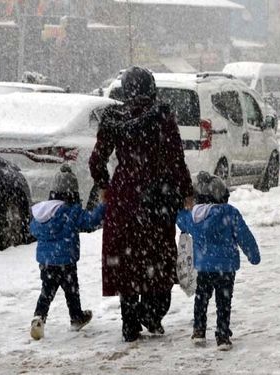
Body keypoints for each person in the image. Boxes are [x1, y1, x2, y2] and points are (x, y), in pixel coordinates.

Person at [89, 66, 194, 342]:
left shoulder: (113, 118)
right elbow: (175, 158)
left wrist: (104, 185)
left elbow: (96, 160)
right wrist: (186, 191)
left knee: (126, 259)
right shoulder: (162, 116)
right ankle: (152, 312)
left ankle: (129, 321)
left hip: (124, 196)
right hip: (157, 195)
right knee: (156, 257)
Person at [176, 171, 260, 351]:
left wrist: (183, 205)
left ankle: (199, 330)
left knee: (201, 298)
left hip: (204, 267)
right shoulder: (230, 213)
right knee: (224, 301)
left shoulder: (193, 216)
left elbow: (181, 221)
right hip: (226, 267)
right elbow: (244, 237)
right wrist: (253, 256)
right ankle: (222, 336)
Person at [29, 164, 107, 340]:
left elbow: (33, 229)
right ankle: (76, 317)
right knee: (71, 290)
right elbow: (90, 221)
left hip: (46, 261)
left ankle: (39, 317)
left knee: (46, 291)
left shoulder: (43, 212)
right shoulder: (72, 211)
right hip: (66, 261)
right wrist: (103, 206)